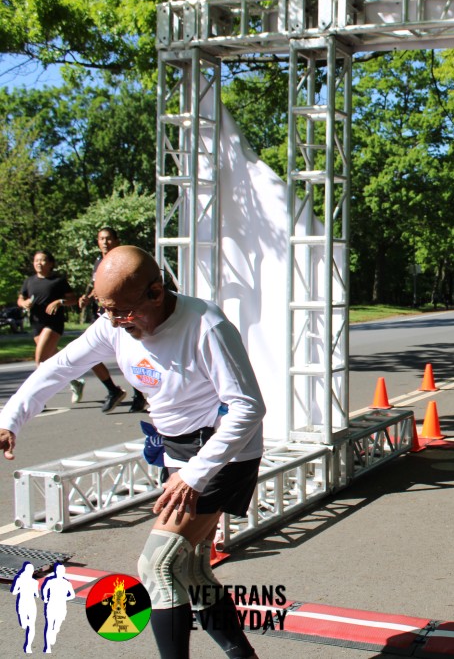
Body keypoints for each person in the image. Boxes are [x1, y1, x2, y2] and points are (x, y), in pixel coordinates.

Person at [0, 246, 266, 659]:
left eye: (122, 311)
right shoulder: (114, 324)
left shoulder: (205, 324)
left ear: (156, 293)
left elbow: (247, 407)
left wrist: (194, 474)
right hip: (178, 449)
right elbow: (59, 367)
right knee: (190, 567)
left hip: (223, 451)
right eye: (105, 309)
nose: (114, 322)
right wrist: (10, 419)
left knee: (157, 565)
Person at [73, 227, 135, 413]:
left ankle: (140, 395)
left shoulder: (123, 260)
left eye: (108, 238)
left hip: (120, 314)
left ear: (116, 240)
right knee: (89, 353)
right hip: (101, 315)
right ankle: (112, 390)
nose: (105, 242)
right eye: (101, 239)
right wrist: (87, 298)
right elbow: (97, 287)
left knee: (128, 357)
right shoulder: (98, 262)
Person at [17, 251, 76, 369]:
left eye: (42, 260)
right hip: (36, 323)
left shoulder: (58, 281)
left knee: (40, 359)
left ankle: (39, 381)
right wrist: (24, 303)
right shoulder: (29, 281)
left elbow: (74, 299)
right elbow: (20, 299)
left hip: (53, 323)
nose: (39, 263)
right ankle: (73, 376)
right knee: (53, 358)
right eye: (36, 260)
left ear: (50, 264)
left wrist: (60, 301)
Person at [41, 562, 75, 653]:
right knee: (49, 625)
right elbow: (45, 589)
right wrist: (45, 598)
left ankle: (54, 633)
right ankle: (47, 646)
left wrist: (64, 598)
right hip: (52, 605)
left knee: (56, 627)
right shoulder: (51, 581)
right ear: (56, 572)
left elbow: (72, 595)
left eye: (62, 571)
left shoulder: (66, 583)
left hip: (61, 606)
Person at [10, 561, 38, 653]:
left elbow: (14, 592)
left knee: (30, 625)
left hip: (24, 603)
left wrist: (20, 590)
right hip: (29, 604)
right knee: (26, 625)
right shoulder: (34, 582)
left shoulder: (20, 580)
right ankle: (28, 645)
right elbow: (37, 595)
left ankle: (28, 646)